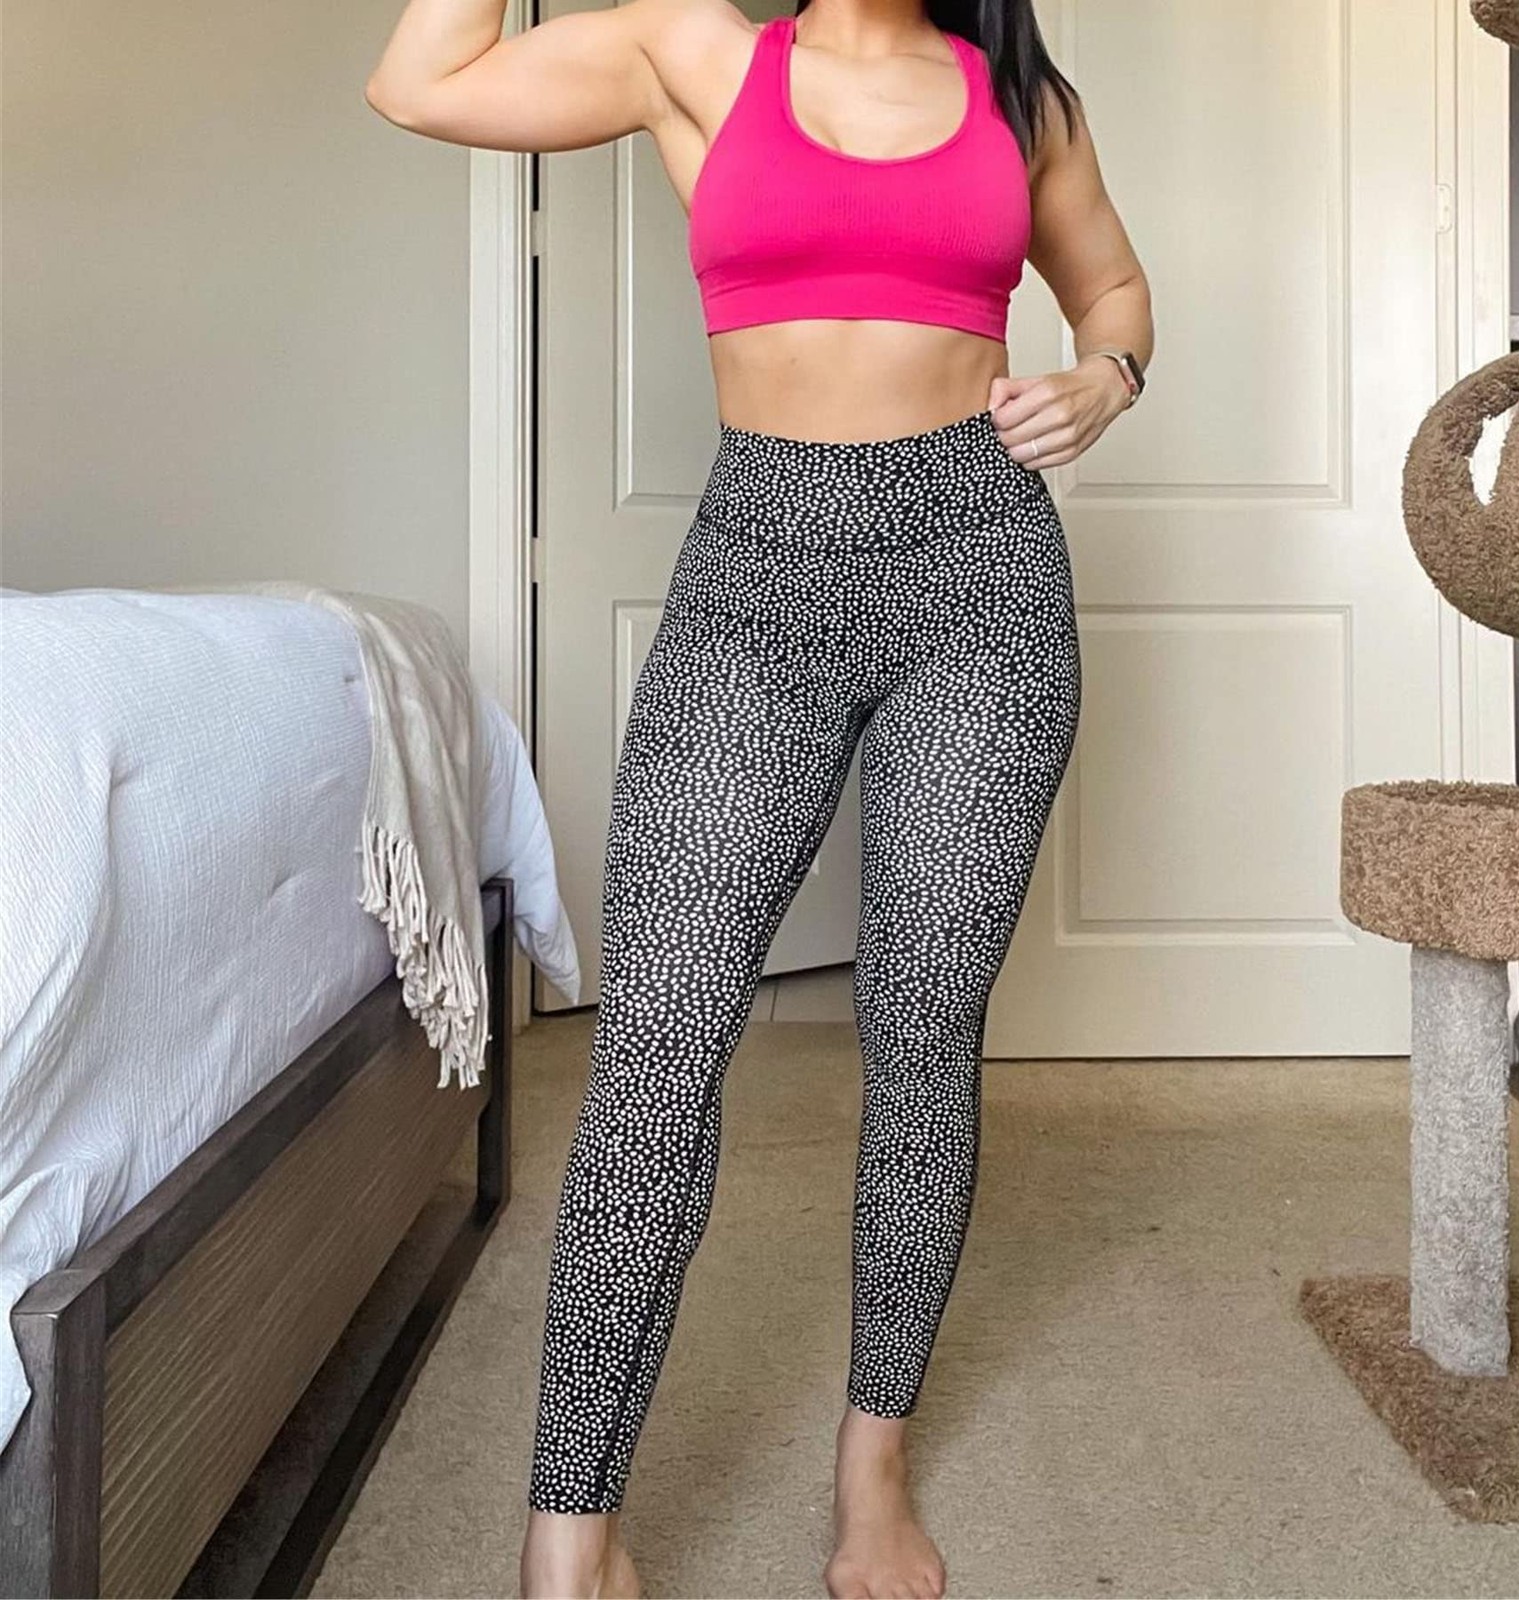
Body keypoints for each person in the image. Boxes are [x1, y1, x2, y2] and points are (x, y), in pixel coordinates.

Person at [366, 0, 1152, 1593]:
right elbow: (418, 81)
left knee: (923, 1030)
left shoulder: (1021, 97)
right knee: (657, 1046)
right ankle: (570, 1542)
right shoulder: (697, 52)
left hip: (982, 580)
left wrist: (1105, 379)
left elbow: (1116, 291)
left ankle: (874, 1463)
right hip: (757, 581)